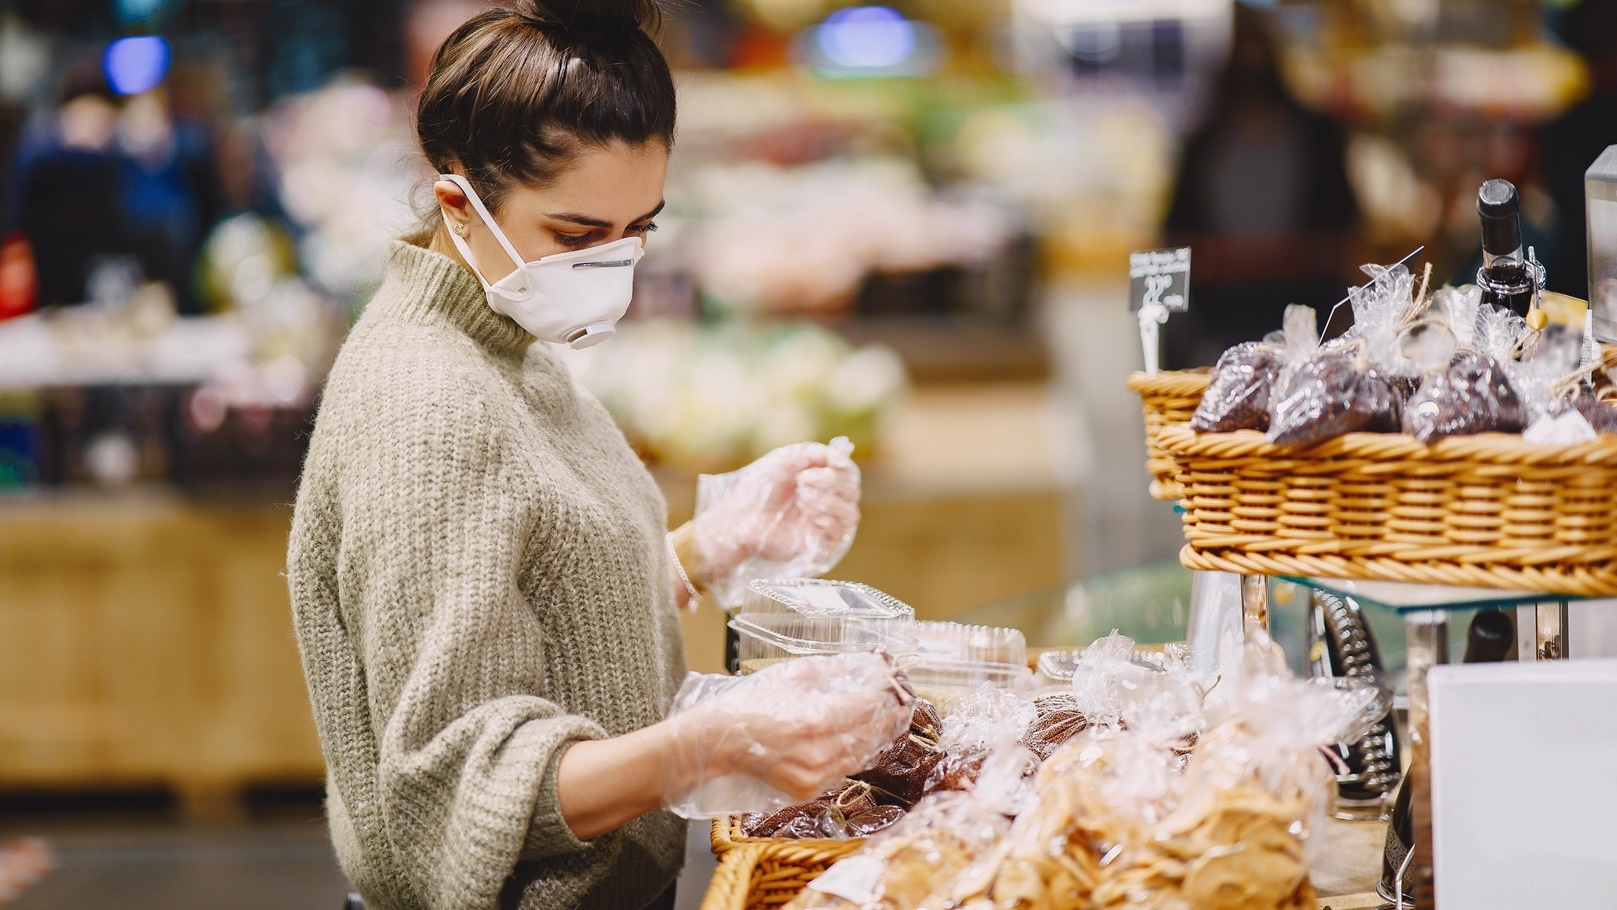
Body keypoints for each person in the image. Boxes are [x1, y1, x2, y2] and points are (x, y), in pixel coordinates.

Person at [286, 3, 908, 909]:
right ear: (458, 203)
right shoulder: (425, 406)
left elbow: (523, 599)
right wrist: (705, 746)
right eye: (577, 237)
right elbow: (453, 786)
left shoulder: (505, 334)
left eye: (639, 228)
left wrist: (703, 551)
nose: (613, 265)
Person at [1161, 4, 1360, 367]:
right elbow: (1173, 232)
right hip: (1219, 313)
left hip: (1304, 305)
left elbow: (1348, 221)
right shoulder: (1202, 142)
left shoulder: (1317, 136)